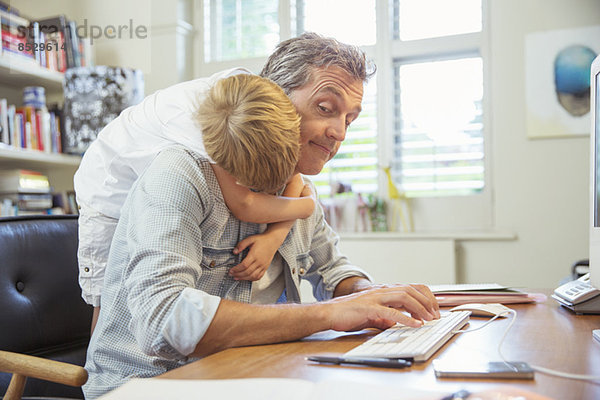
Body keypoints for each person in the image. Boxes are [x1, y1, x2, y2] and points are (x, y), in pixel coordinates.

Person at [82, 32, 440, 399]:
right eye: (325, 108)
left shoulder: (298, 186)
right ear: (276, 99)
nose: (340, 133)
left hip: (246, 377)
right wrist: (331, 313)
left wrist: (371, 296)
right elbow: (165, 319)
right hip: (153, 388)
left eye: (350, 118)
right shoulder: (181, 171)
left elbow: (333, 270)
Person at [75, 70, 315, 333]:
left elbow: (294, 174)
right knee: (106, 302)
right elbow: (244, 205)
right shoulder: (206, 136)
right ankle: (96, 368)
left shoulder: (256, 102)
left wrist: (275, 235)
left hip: (151, 187)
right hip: (107, 193)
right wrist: (307, 206)